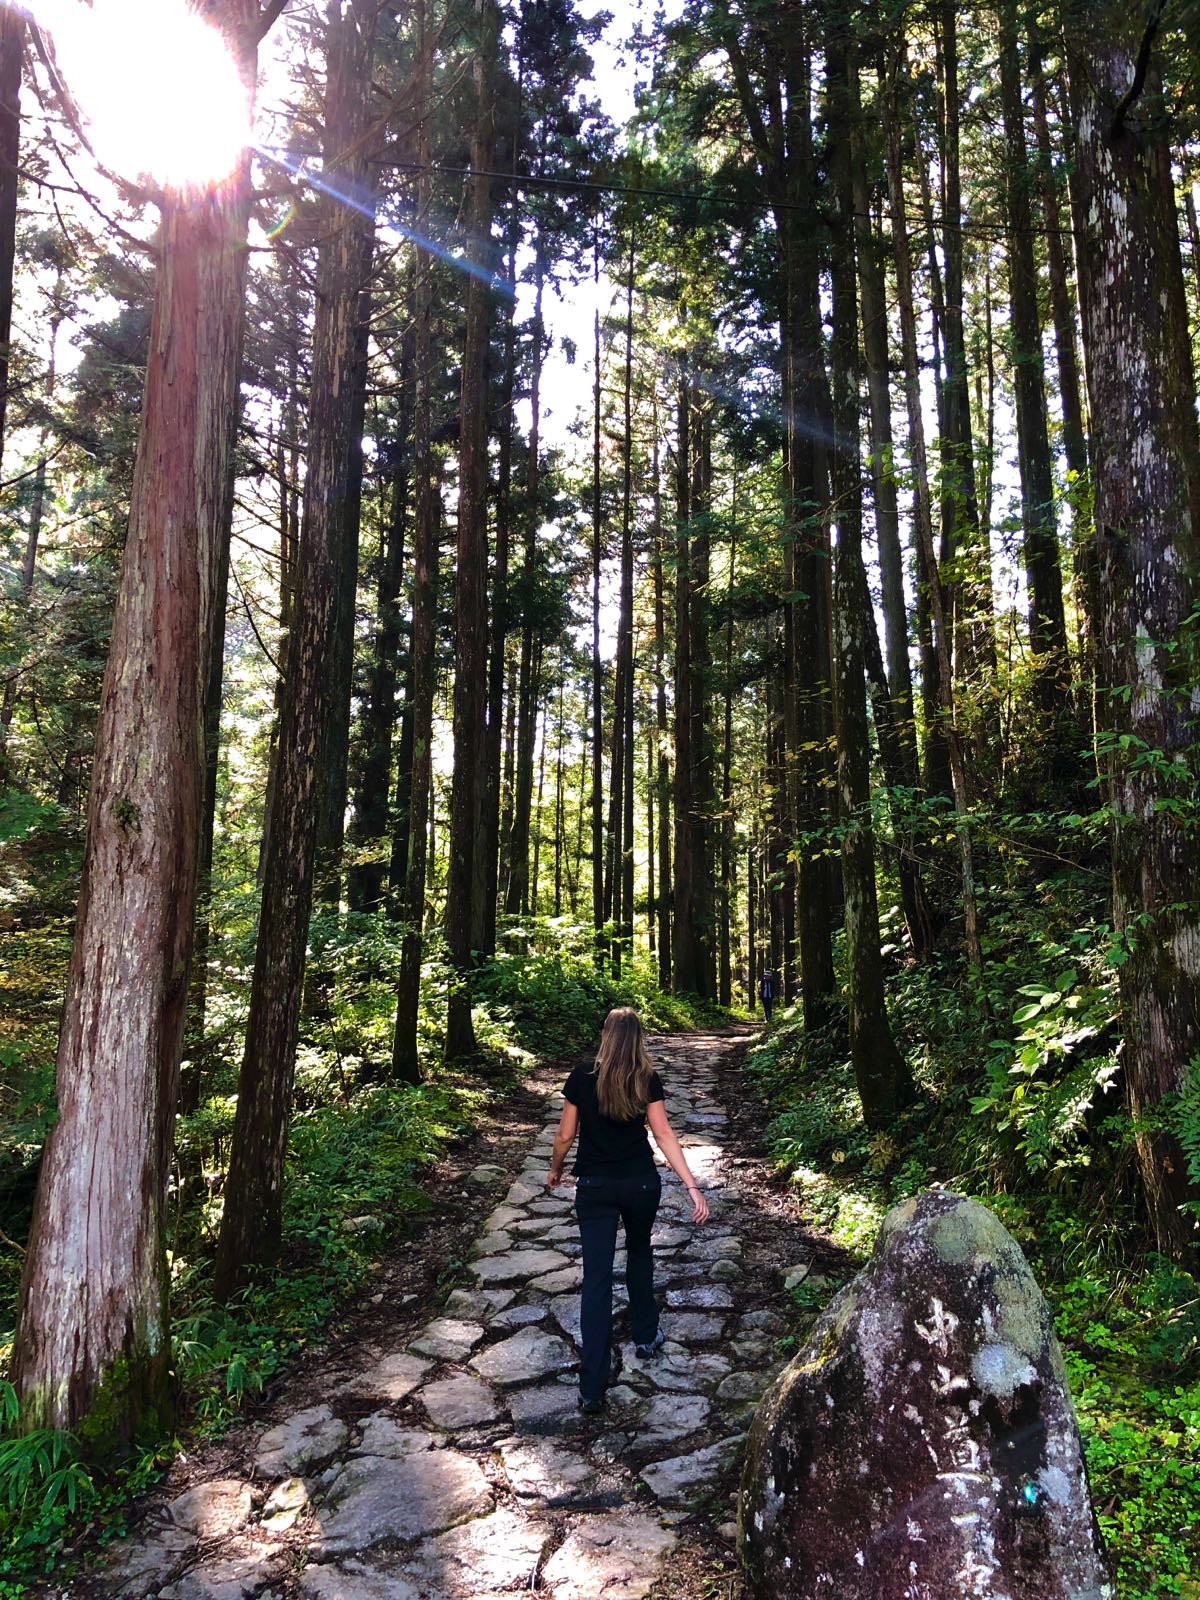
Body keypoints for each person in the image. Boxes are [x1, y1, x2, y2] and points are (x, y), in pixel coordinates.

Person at [545, 1007, 710, 1414]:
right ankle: (646, 1334)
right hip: (640, 1184)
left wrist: (555, 1169)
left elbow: (566, 1134)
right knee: (639, 1252)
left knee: (596, 1279)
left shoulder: (582, 1076)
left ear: (605, 1035)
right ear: (638, 1039)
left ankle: (592, 1387)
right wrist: (690, 1185)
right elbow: (664, 1133)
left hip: (595, 1188)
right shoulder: (645, 1078)